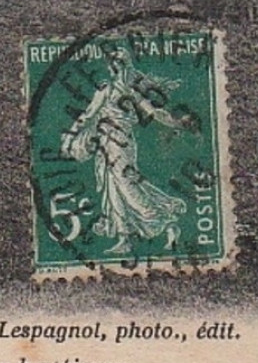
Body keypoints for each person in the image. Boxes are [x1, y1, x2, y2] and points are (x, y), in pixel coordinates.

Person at [60, 41, 197, 256]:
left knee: (127, 187)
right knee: (113, 189)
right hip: (106, 144)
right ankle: (125, 239)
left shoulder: (127, 92)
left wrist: (176, 123)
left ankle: (164, 223)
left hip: (121, 144)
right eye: (116, 65)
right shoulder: (111, 90)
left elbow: (154, 113)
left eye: (120, 65)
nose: (118, 69)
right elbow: (87, 115)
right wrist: (70, 138)